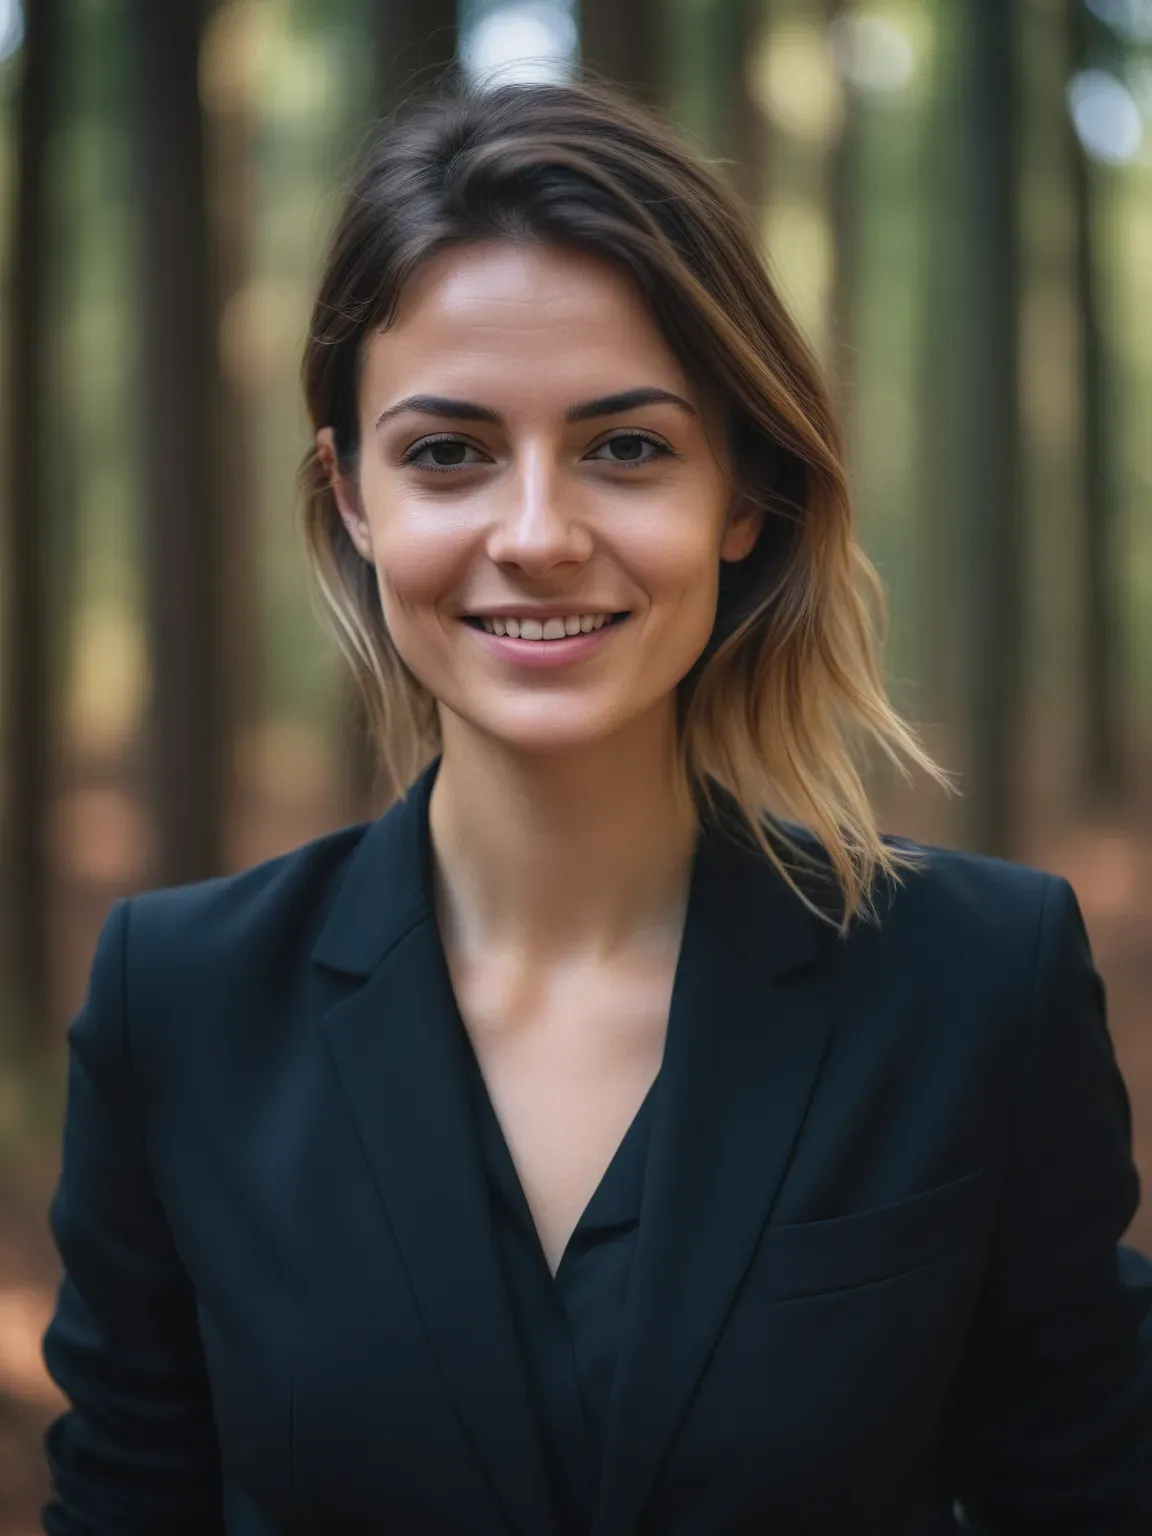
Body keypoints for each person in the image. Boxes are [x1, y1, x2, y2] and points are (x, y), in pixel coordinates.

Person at [40, 73, 1152, 1536]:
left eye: (627, 446)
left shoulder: (976, 983)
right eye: (448, 454)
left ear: (742, 491)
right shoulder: (176, 1006)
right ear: (355, 496)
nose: (538, 534)